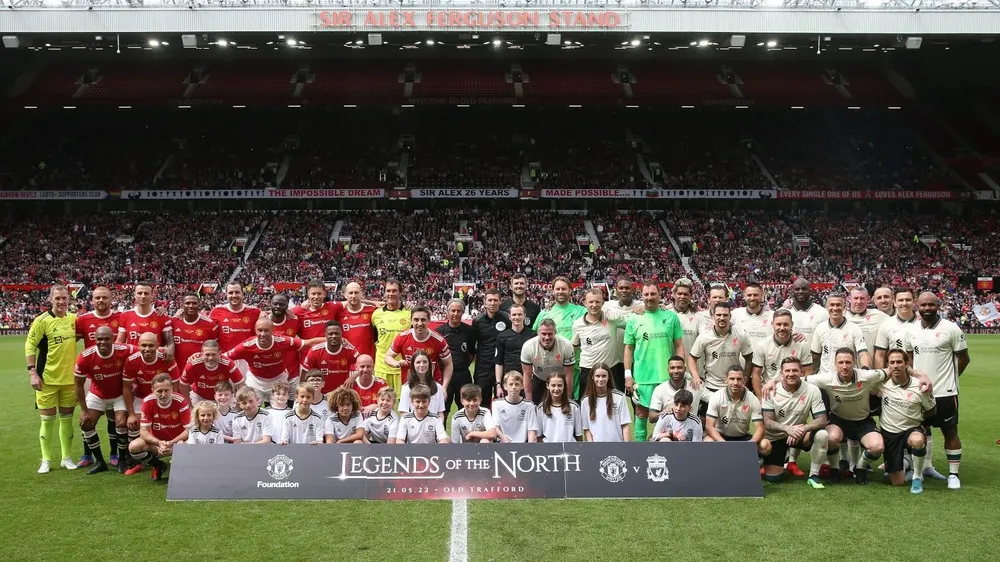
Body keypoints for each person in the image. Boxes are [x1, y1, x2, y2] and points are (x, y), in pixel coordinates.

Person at [907, 291, 970, 489]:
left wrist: (950, 379)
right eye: (923, 305)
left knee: (950, 431)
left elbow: (964, 358)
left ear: (938, 305)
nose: (927, 308)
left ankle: (953, 475)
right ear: (917, 305)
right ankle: (919, 471)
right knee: (920, 431)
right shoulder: (911, 330)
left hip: (945, 392)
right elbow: (909, 359)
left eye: (931, 305)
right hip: (919, 392)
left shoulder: (951, 329)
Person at [27, 284, 80, 474]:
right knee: (47, 421)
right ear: (50, 299)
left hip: (68, 380)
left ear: (68, 299)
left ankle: (66, 458)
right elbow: (30, 345)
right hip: (46, 379)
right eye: (57, 298)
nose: (61, 301)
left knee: (67, 420)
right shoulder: (42, 320)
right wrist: (32, 372)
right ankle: (46, 460)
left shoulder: (74, 320)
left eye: (64, 298)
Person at [624, 280, 686, 442]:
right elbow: (628, 349)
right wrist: (628, 375)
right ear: (642, 296)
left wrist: (680, 369)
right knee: (641, 414)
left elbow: (679, 345)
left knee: (671, 415)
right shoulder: (634, 318)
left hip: (668, 378)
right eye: (646, 294)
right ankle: (640, 452)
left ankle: (669, 450)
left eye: (653, 294)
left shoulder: (670, 317)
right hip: (643, 377)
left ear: (660, 295)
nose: (649, 297)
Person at [761, 357, 829, 489]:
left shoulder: (812, 390)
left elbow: (822, 420)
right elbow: (767, 422)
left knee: (822, 434)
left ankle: (813, 475)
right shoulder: (771, 391)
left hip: (799, 434)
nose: (791, 373)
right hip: (776, 437)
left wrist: (802, 429)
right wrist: (787, 429)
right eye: (787, 371)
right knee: (773, 478)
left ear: (801, 372)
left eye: (795, 370)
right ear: (781, 374)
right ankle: (770, 463)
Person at [73, 325, 132, 474]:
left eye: (107, 339)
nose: (103, 342)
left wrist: (162, 351)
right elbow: (78, 385)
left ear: (113, 339)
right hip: (97, 395)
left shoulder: (123, 349)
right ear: (94, 339)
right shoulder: (85, 356)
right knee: (86, 424)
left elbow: (143, 350)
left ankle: (122, 459)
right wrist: (84, 411)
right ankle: (100, 461)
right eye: (99, 339)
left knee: (121, 422)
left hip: (119, 395)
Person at [74, 285, 122, 466]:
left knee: (113, 416)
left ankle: (114, 454)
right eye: (97, 298)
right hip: (90, 375)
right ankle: (87, 454)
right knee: (86, 415)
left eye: (104, 297)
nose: (101, 300)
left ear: (111, 299)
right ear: (92, 300)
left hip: (114, 373)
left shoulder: (120, 318)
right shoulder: (83, 320)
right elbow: (69, 342)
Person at [121, 332, 181, 475]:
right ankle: (139, 461)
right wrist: (130, 414)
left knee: (170, 423)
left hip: (164, 396)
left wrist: (175, 405)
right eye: (143, 345)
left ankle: (168, 452)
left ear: (157, 346)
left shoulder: (166, 358)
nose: (147, 349)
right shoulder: (131, 360)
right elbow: (126, 388)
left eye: (151, 345)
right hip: (142, 398)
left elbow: (176, 385)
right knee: (134, 424)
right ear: (138, 346)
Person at [222, 318, 322, 403]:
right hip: (255, 381)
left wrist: (333, 341)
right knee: (252, 408)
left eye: (266, 330)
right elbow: (224, 357)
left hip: (278, 380)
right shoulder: (246, 346)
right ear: (255, 330)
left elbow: (308, 343)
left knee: (277, 410)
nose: (263, 334)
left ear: (272, 330)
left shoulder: (283, 341)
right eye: (259, 330)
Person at [879, 349, 936, 494]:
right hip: (890, 432)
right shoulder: (881, 383)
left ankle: (917, 476)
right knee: (897, 482)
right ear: (887, 365)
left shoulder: (920, 386)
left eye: (899, 362)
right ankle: (906, 462)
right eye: (892, 362)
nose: (896, 365)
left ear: (907, 364)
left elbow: (932, 410)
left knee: (917, 441)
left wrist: (920, 421)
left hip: (911, 429)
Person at [688, 302, 753, 415]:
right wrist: (695, 376)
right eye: (718, 315)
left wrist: (745, 380)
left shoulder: (741, 334)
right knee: (706, 424)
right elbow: (692, 357)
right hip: (711, 386)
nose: (721, 318)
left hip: (733, 385)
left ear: (730, 316)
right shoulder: (704, 336)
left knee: (732, 424)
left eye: (725, 315)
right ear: (713, 316)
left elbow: (749, 358)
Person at [571, 288, 636, 397]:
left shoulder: (612, 319)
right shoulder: (578, 324)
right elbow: (573, 347)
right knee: (587, 405)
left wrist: (639, 309)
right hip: (588, 370)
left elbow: (632, 322)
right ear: (585, 303)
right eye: (591, 302)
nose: (594, 305)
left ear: (603, 303)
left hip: (611, 369)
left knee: (614, 404)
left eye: (597, 301)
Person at [128, 374, 191, 480]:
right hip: (158, 444)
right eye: (159, 391)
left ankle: (186, 467)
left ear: (172, 388)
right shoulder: (147, 402)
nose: (163, 394)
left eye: (166, 390)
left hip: (178, 443)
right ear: (152, 390)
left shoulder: (180, 401)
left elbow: (189, 430)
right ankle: (158, 465)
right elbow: (143, 432)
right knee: (134, 446)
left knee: (193, 443)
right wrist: (159, 443)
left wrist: (172, 443)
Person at [705, 367, 770, 459]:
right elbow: (709, 426)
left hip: (742, 437)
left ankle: (755, 462)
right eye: (732, 378)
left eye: (739, 379)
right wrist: (723, 443)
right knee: (708, 442)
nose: (735, 383)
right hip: (721, 436)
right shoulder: (716, 397)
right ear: (726, 380)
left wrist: (751, 443)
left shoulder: (752, 398)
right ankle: (714, 466)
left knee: (765, 445)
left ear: (744, 380)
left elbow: (760, 428)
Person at [535, 276, 586, 394]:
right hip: (550, 368)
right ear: (553, 291)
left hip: (575, 367)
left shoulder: (581, 311)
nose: (560, 292)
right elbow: (535, 337)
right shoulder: (544, 313)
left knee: (573, 404)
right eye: (557, 289)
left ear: (570, 290)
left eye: (564, 289)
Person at [386, 305, 453, 391]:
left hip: (431, 387)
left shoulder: (439, 340)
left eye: (423, 320)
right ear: (411, 321)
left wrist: (444, 388)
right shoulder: (402, 337)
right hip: (409, 386)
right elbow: (388, 357)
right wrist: (396, 363)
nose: (419, 323)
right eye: (416, 320)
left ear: (429, 321)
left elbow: (449, 364)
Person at [750, 309, 813, 398]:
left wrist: (803, 394)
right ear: (772, 325)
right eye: (778, 324)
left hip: (796, 393)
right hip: (770, 393)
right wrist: (760, 399)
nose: (782, 328)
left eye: (786, 324)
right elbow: (756, 374)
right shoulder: (762, 345)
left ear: (792, 325)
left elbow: (808, 372)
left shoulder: (802, 345)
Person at [811, 292, 870, 375]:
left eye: (838, 305)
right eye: (832, 305)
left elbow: (863, 354)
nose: (835, 308)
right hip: (825, 377)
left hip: (848, 377)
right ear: (826, 307)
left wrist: (865, 370)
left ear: (844, 307)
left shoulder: (854, 328)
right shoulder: (820, 328)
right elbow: (814, 356)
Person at [469, 288, 510, 409]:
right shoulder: (477, 321)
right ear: (485, 302)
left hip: (502, 366)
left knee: (503, 404)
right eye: (490, 300)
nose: (492, 303)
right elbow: (473, 345)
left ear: (500, 301)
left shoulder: (507, 319)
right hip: (483, 368)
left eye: (495, 300)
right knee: (482, 404)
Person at [520, 318, 575, 405]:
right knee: (534, 405)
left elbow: (569, 374)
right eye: (543, 334)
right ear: (538, 333)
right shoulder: (528, 346)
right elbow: (527, 375)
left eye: (550, 334)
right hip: (539, 378)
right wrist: (529, 402)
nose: (547, 337)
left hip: (559, 380)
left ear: (555, 333)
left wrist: (568, 399)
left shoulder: (566, 345)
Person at [116, 282, 175, 362]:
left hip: (155, 362)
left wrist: (169, 351)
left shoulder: (162, 316)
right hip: (132, 362)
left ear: (152, 296)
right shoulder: (125, 315)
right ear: (135, 295)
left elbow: (170, 343)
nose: (143, 296)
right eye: (140, 293)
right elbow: (119, 343)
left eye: (146, 293)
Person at [436, 298, 476, 413]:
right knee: (443, 408)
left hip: (463, 375)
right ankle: (441, 431)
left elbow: (472, 353)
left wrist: (462, 365)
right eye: (453, 311)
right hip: (444, 376)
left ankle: (466, 431)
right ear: (447, 312)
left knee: (466, 407)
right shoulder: (440, 331)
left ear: (462, 313)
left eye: (458, 311)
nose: (455, 314)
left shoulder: (469, 331)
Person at [371, 278, 410, 395]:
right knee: (382, 403)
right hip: (382, 368)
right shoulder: (376, 314)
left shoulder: (409, 313)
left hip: (403, 368)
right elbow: (375, 338)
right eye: (388, 291)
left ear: (400, 293)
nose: (391, 294)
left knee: (405, 405)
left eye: (394, 291)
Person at [300, 321, 360, 394]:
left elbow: (363, 365)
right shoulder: (315, 351)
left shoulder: (350, 350)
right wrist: (303, 392)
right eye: (330, 334)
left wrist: (353, 377)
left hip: (342, 392)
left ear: (342, 334)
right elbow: (305, 374)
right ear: (325, 335)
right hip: (321, 394)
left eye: (336, 333)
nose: (334, 336)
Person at [179, 340, 243, 406]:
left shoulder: (228, 364)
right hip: (199, 396)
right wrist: (189, 406)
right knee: (193, 415)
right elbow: (183, 385)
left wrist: (241, 402)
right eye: (207, 355)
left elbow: (241, 384)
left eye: (213, 354)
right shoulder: (193, 364)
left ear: (219, 354)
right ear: (202, 354)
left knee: (233, 414)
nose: (210, 358)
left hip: (223, 397)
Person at [580, 363, 631, 442]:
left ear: (609, 377)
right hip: (597, 449)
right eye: (598, 376)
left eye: (604, 376)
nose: (600, 379)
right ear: (592, 377)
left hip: (617, 446)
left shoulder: (619, 397)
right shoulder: (585, 401)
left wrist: (627, 447)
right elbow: (586, 429)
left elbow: (625, 425)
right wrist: (591, 448)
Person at [208, 281, 262, 355]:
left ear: (242, 294)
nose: (234, 295)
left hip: (247, 358)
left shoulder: (255, 312)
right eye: (230, 293)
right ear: (226, 294)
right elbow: (210, 334)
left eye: (237, 292)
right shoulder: (216, 311)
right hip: (225, 358)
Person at [170, 292, 219, 370]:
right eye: (187, 303)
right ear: (182, 305)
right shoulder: (173, 322)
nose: (191, 306)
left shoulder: (210, 324)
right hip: (177, 371)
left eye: (194, 303)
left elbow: (214, 349)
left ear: (199, 304)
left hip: (201, 371)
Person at [649, 356, 704, 425]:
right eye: (672, 368)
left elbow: (713, 397)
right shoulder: (660, 389)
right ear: (668, 370)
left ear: (685, 369)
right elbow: (651, 417)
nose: (676, 371)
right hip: (666, 430)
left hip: (690, 429)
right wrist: (665, 413)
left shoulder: (696, 386)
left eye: (679, 367)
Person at [494, 303, 536, 392]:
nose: (517, 317)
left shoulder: (533, 335)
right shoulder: (502, 337)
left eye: (520, 314)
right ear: (509, 316)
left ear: (524, 316)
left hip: (528, 379)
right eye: (514, 314)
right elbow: (499, 362)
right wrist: (498, 385)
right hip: (509, 380)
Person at [873, 287, 919, 368]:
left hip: (921, 373)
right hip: (897, 374)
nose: (904, 303)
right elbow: (880, 355)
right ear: (894, 303)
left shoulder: (922, 322)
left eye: (908, 300)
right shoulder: (886, 325)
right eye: (900, 300)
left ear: (914, 302)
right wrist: (880, 377)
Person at [601, 275, 639, 368]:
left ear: (633, 290)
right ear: (616, 290)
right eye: (621, 288)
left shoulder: (641, 306)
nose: (624, 290)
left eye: (627, 288)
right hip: (614, 360)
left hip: (636, 358)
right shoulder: (607, 306)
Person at [533, 373, 583, 443]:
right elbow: (539, 435)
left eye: (559, 385)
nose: (556, 389)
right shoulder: (541, 408)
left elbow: (579, 435)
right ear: (547, 386)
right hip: (549, 449)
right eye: (553, 385)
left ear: (564, 386)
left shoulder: (574, 407)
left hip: (569, 449)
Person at [845, 286, 890, 361]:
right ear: (849, 299)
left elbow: (895, 321)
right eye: (856, 298)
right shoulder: (843, 317)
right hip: (847, 366)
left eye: (862, 298)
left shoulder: (878, 316)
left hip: (870, 367)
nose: (859, 302)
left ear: (868, 299)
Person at [492, 371, 538, 443]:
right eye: (511, 384)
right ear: (505, 386)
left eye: (517, 384)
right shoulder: (497, 404)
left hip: (523, 444)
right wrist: (503, 437)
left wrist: (530, 447)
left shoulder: (529, 405)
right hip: (502, 443)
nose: (514, 387)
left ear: (522, 386)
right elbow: (495, 427)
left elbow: (531, 430)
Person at [398, 350, 446, 418]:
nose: (422, 365)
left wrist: (438, 426)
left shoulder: (438, 387)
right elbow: (403, 413)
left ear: (429, 364)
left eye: (425, 362)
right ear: (413, 365)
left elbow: (440, 413)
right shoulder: (406, 388)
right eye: (418, 362)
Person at [269, 294, 303, 384]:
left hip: (293, 372)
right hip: (272, 374)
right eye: (275, 304)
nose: (278, 307)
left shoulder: (295, 321)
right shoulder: (263, 322)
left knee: (293, 398)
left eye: (281, 304)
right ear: (270, 304)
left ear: (287, 306)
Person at [667, 277, 703, 355]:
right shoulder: (665, 315)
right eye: (679, 293)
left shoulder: (698, 317)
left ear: (691, 296)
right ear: (673, 294)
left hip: (692, 365)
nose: (682, 296)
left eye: (686, 294)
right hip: (672, 366)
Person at [731, 282, 773, 346]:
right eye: (749, 295)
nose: (752, 298)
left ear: (761, 296)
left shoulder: (772, 316)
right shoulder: (735, 314)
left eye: (755, 295)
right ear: (744, 296)